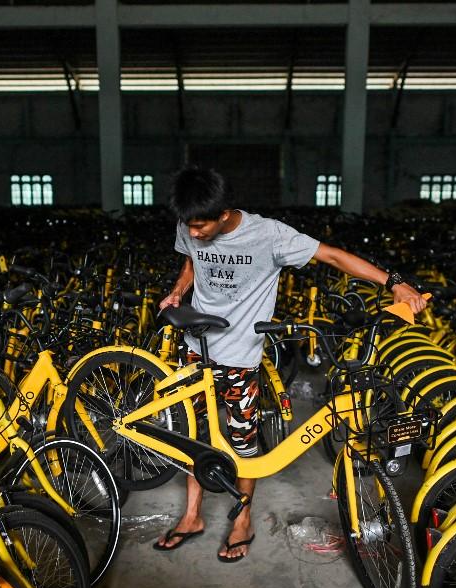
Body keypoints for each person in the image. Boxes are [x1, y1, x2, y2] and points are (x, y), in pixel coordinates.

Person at [154, 166, 427, 562]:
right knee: (195, 437)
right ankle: (192, 516)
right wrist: (178, 292)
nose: (194, 233)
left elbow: (332, 256)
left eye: (201, 226)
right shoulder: (189, 227)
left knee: (243, 444)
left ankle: (241, 522)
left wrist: (395, 283)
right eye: (189, 226)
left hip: (240, 355)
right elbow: (191, 262)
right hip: (196, 346)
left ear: (225, 211)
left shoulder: (270, 235)